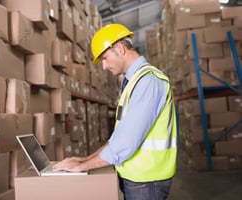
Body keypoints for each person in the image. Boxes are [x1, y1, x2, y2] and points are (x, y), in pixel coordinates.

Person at [53, 23, 177, 200]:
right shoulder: (133, 82)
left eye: (104, 58)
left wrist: (82, 167)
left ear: (119, 48)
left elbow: (125, 143)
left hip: (147, 181)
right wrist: (84, 159)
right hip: (138, 178)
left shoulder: (147, 81)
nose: (103, 66)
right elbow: (118, 138)